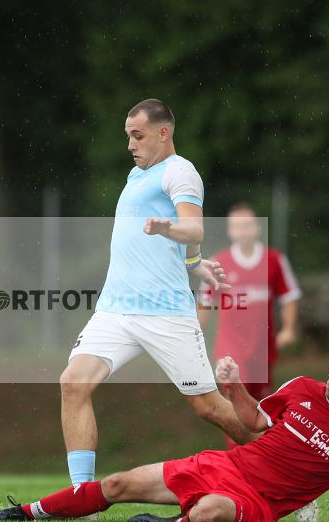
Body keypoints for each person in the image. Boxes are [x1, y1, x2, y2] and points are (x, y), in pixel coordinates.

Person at [0, 346, 329, 522]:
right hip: (224, 466)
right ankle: (25, 512)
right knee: (117, 484)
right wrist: (234, 388)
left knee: (210, 511)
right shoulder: (304, 389)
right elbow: (253, 423)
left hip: (260, 501)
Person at [60, 99, 255, 493]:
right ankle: (81, 495)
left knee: (208, 407)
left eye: (138, 135)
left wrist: (170, 231)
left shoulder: (181, 173)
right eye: (128, 136)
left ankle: (286, 464)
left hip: (165, 314)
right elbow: (173, 245)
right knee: (73, 383)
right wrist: (195, 263)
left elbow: (193, 229)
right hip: (115, 310)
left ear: (163, 133)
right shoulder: (136, 176)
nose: (130, 145)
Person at [198, 203, 302, 441]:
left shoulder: (274, 260)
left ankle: (259, 458)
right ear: (230, 231)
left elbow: (290, 296)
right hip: (230, 347)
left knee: (262, 407)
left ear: (256, 228)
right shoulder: (218, 262)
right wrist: (196, 332)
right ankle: (237, 461)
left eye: (247, 226)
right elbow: (205, 300)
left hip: (262, 348)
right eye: (236, 227)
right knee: (235, 400)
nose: (242, 231)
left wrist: (288, 329)